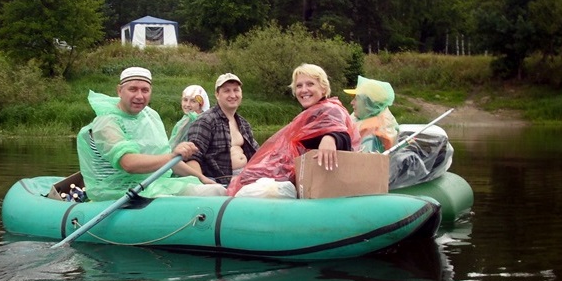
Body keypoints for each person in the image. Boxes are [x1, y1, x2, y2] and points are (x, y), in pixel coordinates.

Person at [76, 66, 226, 201]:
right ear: (119, 91)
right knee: (175, 201)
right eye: (133, 89)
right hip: (119, 191)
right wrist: (172, 155)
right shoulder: (106, 122)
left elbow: (167, 160)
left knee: (216, 190)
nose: (139, 96)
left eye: (145, 90)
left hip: (154, 184)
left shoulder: (150, 115)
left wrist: (201, 178)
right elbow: (128, 163)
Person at [227, 63, 360, 197]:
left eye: (310, 84)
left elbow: (341, 134)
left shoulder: (331, 109)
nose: (304, 90)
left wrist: (330, 138)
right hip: (299, 179)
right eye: (299, 86)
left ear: (323, 89)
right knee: (246, 179)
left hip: (321, 187)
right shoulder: (307, 115)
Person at [185, 73, 259, 187]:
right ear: (217, 94)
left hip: (247, 177)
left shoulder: (243, 124)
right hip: (221, 183)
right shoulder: (206, 121)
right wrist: (203, 184)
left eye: (236, 90)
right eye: (227, 91)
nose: (233, 95)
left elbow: (258, 153)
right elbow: (192, 158)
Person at [344, 75, 399, 154]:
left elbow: (365, 160)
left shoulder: (371, 135)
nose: (352, 102)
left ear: (368, 104)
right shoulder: (370, 117)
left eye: (356, 99)